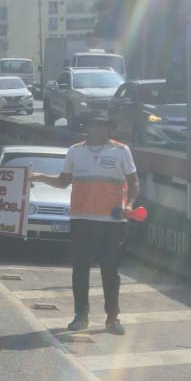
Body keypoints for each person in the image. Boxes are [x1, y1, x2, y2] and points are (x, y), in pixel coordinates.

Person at [29, 112, 139, 334]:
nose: (98, 129)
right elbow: (63, 181)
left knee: (110, 271)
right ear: (88, 127)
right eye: (94, 125)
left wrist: (130, 205)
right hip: (81, 219)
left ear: (109, 128)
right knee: (80, 269)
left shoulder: (121, 150)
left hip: (111, 220)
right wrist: (40, 177)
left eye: (103, 125)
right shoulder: (75, 151)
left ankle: (112, 318)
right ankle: (81, 315)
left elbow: (134, 182)